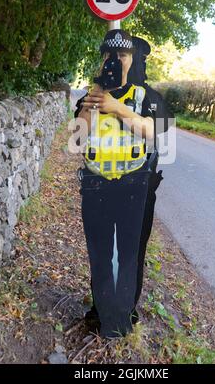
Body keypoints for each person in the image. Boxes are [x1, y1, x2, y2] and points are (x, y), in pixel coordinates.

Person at [73, 29, 155, 338]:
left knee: (129, 254)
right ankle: (102, 313)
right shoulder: (89, 96)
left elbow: (153, 132)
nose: (115, 61)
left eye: (122, 55)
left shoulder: (144, 95)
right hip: (96, 186)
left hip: (134, 186)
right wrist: (93, 102)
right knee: (100, 254)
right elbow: (77, 139)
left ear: (131, 60)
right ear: (102, 59)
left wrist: (117, 107)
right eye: (110, 55)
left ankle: (124, 317)